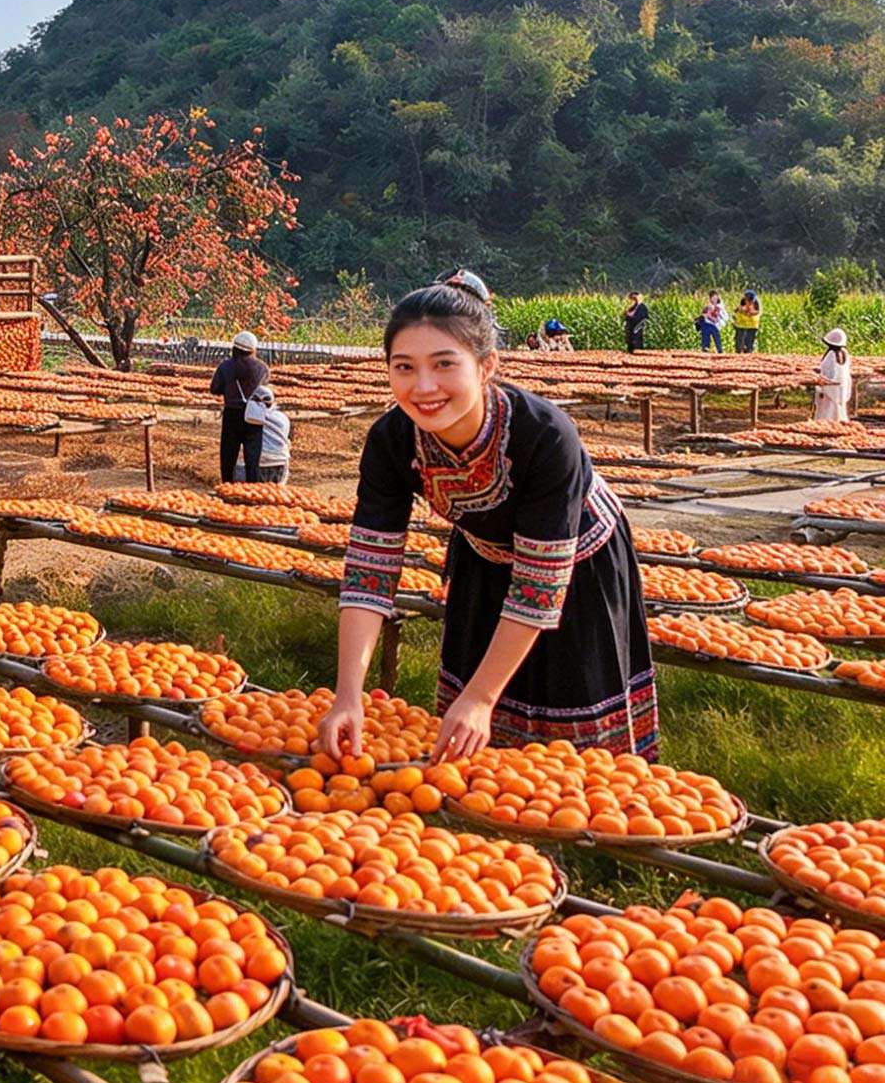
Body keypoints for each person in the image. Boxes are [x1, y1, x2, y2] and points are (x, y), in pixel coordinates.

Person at [320, 273, 656, 765]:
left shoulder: (543, 436)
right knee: (471, 726)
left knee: (566, 714)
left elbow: (540, 583)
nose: (424, 386)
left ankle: (584, 825)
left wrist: (481, 697)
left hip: (578, 565)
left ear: (486, 367)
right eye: (404, 367)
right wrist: (347, 693)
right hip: (483, 555)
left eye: (444, 364)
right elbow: (371, 568)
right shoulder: (392, 441)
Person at [210, 331, 270, 484]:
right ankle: (252, 490)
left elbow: (215, 388)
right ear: (253, 349)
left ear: (234, 348)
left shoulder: (225, 366)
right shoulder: (262, 368)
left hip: (232, 414)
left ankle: (227, 488)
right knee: (253, 458)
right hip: (254, 415)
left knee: (228, 457)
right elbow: (264, 392)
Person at [235, 384, 291, 484]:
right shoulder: (282, 418)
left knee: (246, 490)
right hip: (280, 463)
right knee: (274, 494)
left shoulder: (247, 418)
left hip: (257, 464)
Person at [816, 328, 854, 422]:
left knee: (828, 411)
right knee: (838, 409)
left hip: (830, 387)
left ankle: (827, 425)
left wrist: (821, 384)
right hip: (841, 387)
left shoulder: (831, 354)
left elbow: (828, 373)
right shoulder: (845, 353)